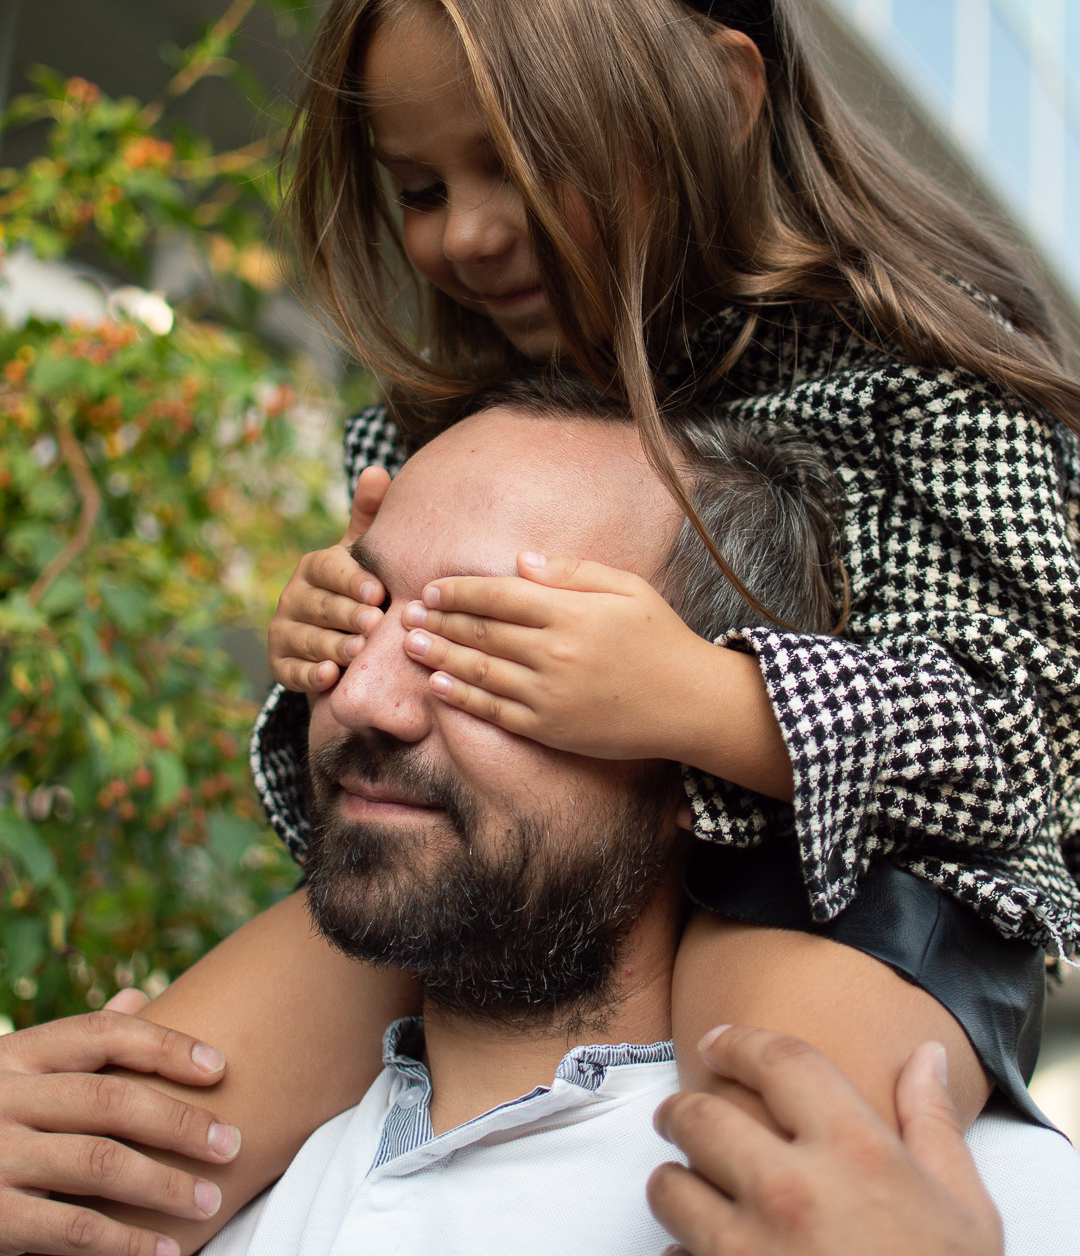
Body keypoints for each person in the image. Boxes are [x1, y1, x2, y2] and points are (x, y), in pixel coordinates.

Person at [8, 0, 1080, 1246]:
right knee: (130, 1124)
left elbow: (1029, 744)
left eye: (521, 162)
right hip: (525, 882)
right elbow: (362, 787)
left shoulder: (919, 377)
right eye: (422, 189)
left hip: (867, 890)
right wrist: (328, 643)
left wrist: (698, 699)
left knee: (779, 1159)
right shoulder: (448, 407)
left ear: (723, 94)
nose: (464, 236)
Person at [133, 398, 1080, 1252]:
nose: (369, 698)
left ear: (701, 768)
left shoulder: (959, 1216)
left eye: (486, 647)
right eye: (362, 613)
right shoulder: (138, 1196)